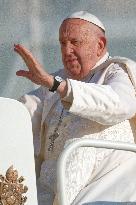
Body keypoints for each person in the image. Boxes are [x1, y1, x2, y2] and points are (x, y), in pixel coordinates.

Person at [14, 11, 136, 205]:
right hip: (48, 192)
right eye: (63, 43)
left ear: (100, 45)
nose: (66, 50)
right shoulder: (55, 80)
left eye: (74, 42)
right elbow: (22, 112)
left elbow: (121, 104)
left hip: (104, 191)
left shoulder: (116, 71)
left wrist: (60, 86)